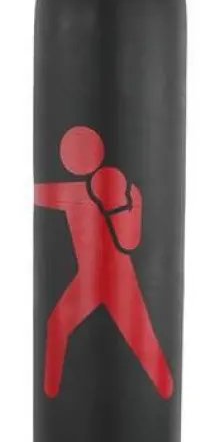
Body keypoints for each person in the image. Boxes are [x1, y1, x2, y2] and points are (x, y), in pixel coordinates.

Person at [34, 125, 174, 399]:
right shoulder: (76, 192)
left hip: (120, 281)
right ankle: (52, 397)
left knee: (143, 339)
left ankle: (164, 392)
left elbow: (131, 242)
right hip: (88, 280)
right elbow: (44, 194)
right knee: (57, 324)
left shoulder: (130, 193)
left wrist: (122, 204)